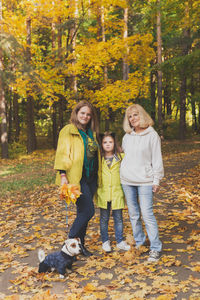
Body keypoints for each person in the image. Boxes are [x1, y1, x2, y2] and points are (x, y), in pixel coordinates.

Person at [54, 100, 100, 257]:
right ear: (76, 113)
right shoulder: (68, 130)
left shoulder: (91, 133)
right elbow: (62, 153)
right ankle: (69, 240)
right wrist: (62, 175)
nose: (85, 116)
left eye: (88, 114)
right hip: (76, 178)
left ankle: (80, 246)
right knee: (88, 211)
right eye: (82, 113)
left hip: (91, 178)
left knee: (83, 212)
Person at [120, 104, 164, 262]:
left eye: (135, 115)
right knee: (133, 215)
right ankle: (139, 242)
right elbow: (126, 156)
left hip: (145, 180)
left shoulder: (152, 135)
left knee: (147, 214)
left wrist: (156, 179)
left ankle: (155, 247)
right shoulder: (127, 136)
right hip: (127, 180)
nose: (132, 119)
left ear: (142, 115)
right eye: (130, 116)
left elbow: (157, 159)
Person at [97, 132, 130, 253]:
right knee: (104, 219)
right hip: (103, 193)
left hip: (117, 193)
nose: (107, 144)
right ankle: (105, 242)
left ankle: (120, 241)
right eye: (105, 142)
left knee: (119, 219)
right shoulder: (99, 159)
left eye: (110, 142)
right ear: (101, 144)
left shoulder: (121, 157)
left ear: (114, 143)